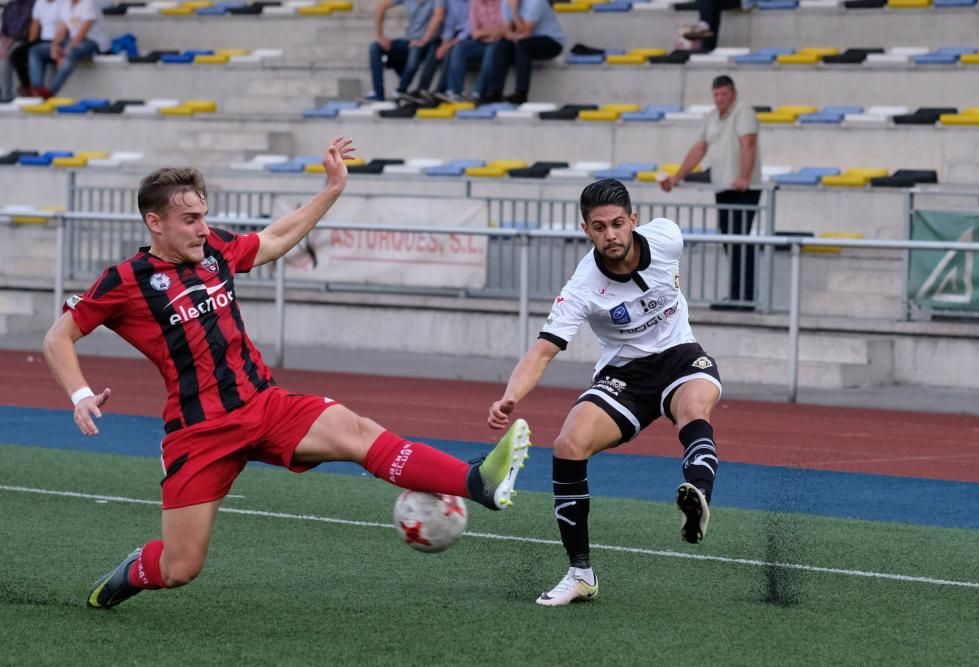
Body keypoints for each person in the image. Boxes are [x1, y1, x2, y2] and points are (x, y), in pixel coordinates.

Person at [42, 136, 533, 609]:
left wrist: (333, 189)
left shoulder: (213, 249)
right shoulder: (125, 280)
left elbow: (275, 238)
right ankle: (132, 571)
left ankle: (478, 483)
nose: (201, 227)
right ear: (155, 222)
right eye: (189, 219)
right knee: (179, 569)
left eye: (203, 216)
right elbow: (57, 338)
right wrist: (80, 393)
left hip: (265, 404)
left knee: (357, 432)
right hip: (201, 431)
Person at [488, 179, 723, 606]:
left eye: (618, 224)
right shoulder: (582, 286)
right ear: (586, 230)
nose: (610, 235)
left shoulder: (668, 238)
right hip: (624, 373)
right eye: (599, 227)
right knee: (568, 444)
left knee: (692, 408)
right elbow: (542, 352)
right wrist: (510, 395)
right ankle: (580, 575)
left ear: (634, 220)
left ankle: (699, 497)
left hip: (680, 355)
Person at [660, 75, 761, 310]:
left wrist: (744, 176)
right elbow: (699, 148)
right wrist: (677, 176)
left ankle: (745, 297)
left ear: (733, 93)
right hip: (723, 186)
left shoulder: (744, 111)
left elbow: (749, 143)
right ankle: (737, 295)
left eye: (724, 94)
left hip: (743, 188)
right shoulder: (712, 117)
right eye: (716, 94)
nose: (720, 99)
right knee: (729, 240)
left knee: (739, 241)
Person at [478, 0, 564, 104]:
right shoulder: (506, 2)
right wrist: (513, 36)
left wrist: (514, 11)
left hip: (551, 42)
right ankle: (495, 92)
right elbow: (506, 30)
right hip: (523, 41)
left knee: (522, 44)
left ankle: (521, 93)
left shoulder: (536, 2)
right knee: (501, 44)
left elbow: (526, 31)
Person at [367, 0, 445, 103]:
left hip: (428, 42)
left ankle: (400, 91)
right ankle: (378, 94)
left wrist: (424, 40)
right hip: (409, 40)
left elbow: (438, 17)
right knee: (375, 47)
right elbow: (380, 7)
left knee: (414, 53)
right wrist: (380, 35)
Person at [28, 0, 109, 98]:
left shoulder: (88, 3)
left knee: (71, 53)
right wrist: (54, 46)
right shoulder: (65, 4)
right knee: (35, 51)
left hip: (93, 42)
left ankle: (50, 92)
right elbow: (61, 29)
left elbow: (83, 32)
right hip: (71, 41)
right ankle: (37, 90)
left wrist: (64, 52)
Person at [434, 0, 504, 103]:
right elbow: (474, 32)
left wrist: (488, 34)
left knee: (492, 51)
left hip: (499, 42)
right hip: (482, 41)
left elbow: (504, 28)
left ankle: (478, 93)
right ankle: (454, 92)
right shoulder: (475, 3)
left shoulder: (502, 3)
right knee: (459, 49)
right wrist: (490, 34)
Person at [6, 0, 60, 98]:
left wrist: (57, 43)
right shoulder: (40, 3)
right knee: (17, 54)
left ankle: (38, 90)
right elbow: (35, 25)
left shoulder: (63, 3)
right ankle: (27, 87)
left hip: (59, 40)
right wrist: (30, 44)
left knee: (35, 52)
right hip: (43, 39)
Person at [0, 0, 35, 101]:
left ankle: (6, 94)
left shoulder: (32, 4)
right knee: (2, 52)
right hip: (7, 40)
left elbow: (24, 30)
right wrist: (4, 42)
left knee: (6, 58)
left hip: (23, 41)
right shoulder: (10, 5)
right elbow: (4, 29)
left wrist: (8, 43)